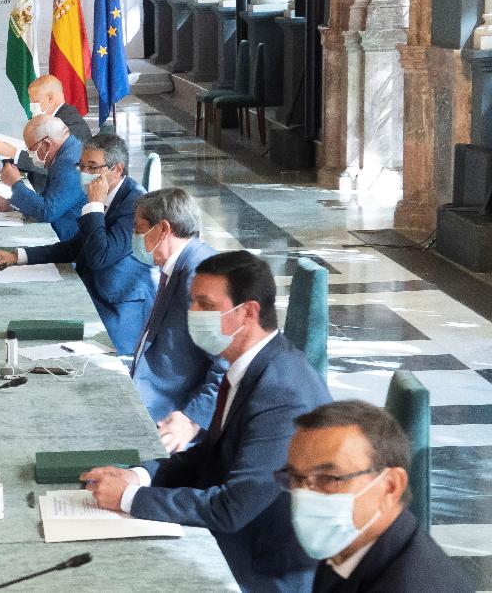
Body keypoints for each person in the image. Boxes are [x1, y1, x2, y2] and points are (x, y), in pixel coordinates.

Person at [80, 250, 333, 592]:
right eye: (192, 302)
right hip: (233, 535)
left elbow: (232, 509)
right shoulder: (251, 364)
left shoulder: (281, 394)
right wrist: (139, 475)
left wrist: (130, 498)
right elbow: (211, 454)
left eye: (205, 305)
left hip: (259, 567)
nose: (193, 314)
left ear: (248, 312)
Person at [0, 133, 155, 355]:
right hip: (89, 287)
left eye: (92, 167)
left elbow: (100, 257)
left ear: (118, 169)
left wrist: (94, 205)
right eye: (81, 166)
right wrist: (18, 256)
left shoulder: (134, 205)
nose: (84, 173)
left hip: (117, 305)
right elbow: (74, 247)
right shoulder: (103, 194)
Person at [284, 400, 472, 592]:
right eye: (295, 477)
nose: (303, 495)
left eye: (329, 478)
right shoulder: (350, 549)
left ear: (391, 487)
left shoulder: (409, 584)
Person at [129, 188, 226, 452]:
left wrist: (192, 419)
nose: (135, 238)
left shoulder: (199, 277)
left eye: (139, 229)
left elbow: (229, 363)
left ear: (163, 229)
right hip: (149, 389)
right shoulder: (180, 263)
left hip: (170, 416)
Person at [0, 74, 92, 190]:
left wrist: (13, 152)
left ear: (50, 98)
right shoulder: (51, 120)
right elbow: (37, 156)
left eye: (35, 102)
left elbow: (51, 165)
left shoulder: (72, 125)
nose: (31, 108)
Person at [0, 114, 86, 241]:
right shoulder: (68, 150)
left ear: (46, 144)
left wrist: (16, 184)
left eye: (31, 150)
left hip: (70, 240)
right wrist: (10, 205)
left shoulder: (69, 163)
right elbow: (47, 201)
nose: (30, 155)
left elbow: (47, 212)